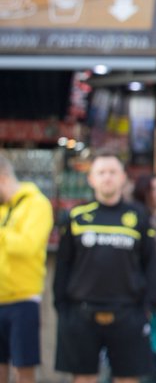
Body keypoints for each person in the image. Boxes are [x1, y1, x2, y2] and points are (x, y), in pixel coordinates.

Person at [54, 152, 156, 383]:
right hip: (81, 312)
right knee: (84, 377)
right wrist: (62, 307)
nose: (107, 178)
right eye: (101, 172)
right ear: (91, 179)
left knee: (128, 377)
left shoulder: (138, 217)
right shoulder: (77, 217)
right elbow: (63, 264)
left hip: (128, 312)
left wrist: (148, 305)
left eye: (112, 172)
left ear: (123, 177)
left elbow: (151, 263)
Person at [0, 151, 54, 383]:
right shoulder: (3, 209)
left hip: (23, 300)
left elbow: (28, 246)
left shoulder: (37, 204)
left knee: (23, 367)